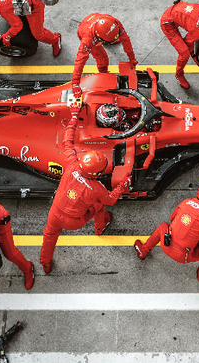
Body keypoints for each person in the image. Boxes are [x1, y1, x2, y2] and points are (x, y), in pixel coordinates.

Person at [40, 104, 131, 273]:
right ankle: (99, 228)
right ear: (97, 173)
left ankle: (45, 264)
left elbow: (67, 141)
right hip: (74, 222)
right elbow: (111, 199)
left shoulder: (72, 164)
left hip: (54, 212)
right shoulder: (96, 188)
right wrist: (123, 185)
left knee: (49, 236)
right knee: (100, 206)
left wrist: (74, 115)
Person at [133, 180, 199, 268]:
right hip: (183, 256)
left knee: (162, 226)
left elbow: (172, 218)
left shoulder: (186, 202)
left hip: (166, 243)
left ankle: (143, 251)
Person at [71, 13, 137, 98]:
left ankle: (110, 39)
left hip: (95, 19)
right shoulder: (87, 40)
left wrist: (132, 58)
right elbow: (80, 59)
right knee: (102, 58)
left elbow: (126, 40)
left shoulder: (115, 24)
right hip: (84, 29)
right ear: (100, 40)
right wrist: (75, 83)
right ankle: (103, 73)